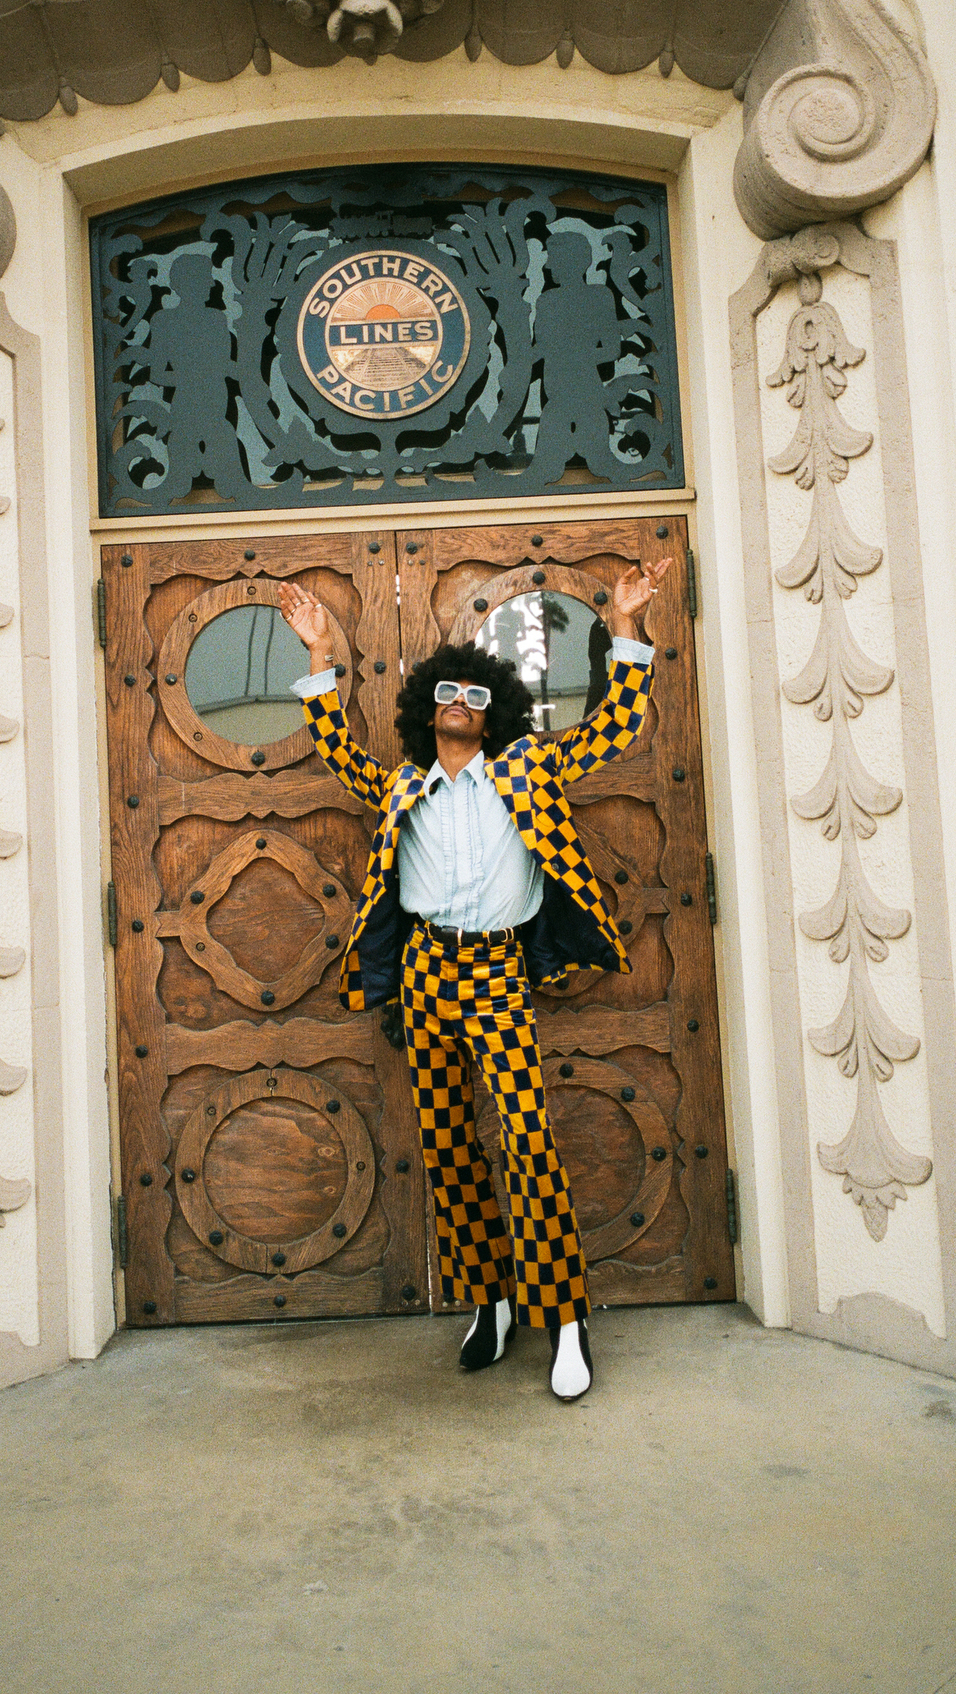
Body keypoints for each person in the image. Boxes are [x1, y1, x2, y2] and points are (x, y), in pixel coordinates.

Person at [277, 556, 668, 1402]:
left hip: (495, 971)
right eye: (449, 692)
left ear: (497, 713)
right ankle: (492, 1303)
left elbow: (613, 729)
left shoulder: (527, 772)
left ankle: (566, 1319)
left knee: (526, 1141)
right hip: (426, 971)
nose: (462, 701)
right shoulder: (400, 787)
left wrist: (626, 627)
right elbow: (337, 751)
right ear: (428, 709)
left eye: (478, 695)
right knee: (449, 1145)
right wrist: (318, 654)